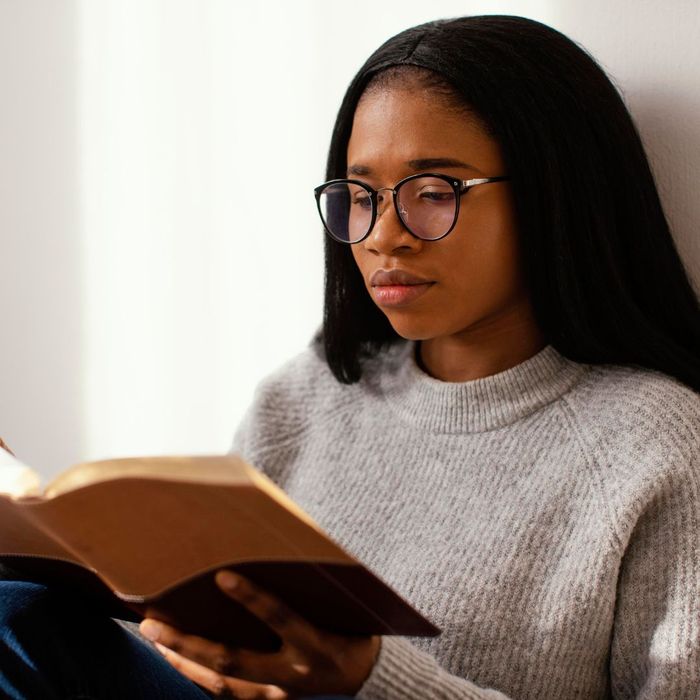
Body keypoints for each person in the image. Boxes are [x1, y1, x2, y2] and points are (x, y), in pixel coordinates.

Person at [2, 13, 700, 700]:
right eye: (361, 195)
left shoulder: (654, 445)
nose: (383, 236)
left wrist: (372, 680)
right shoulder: (305, 399)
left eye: (433, 193)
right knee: (19, 608)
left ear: (556, 193)